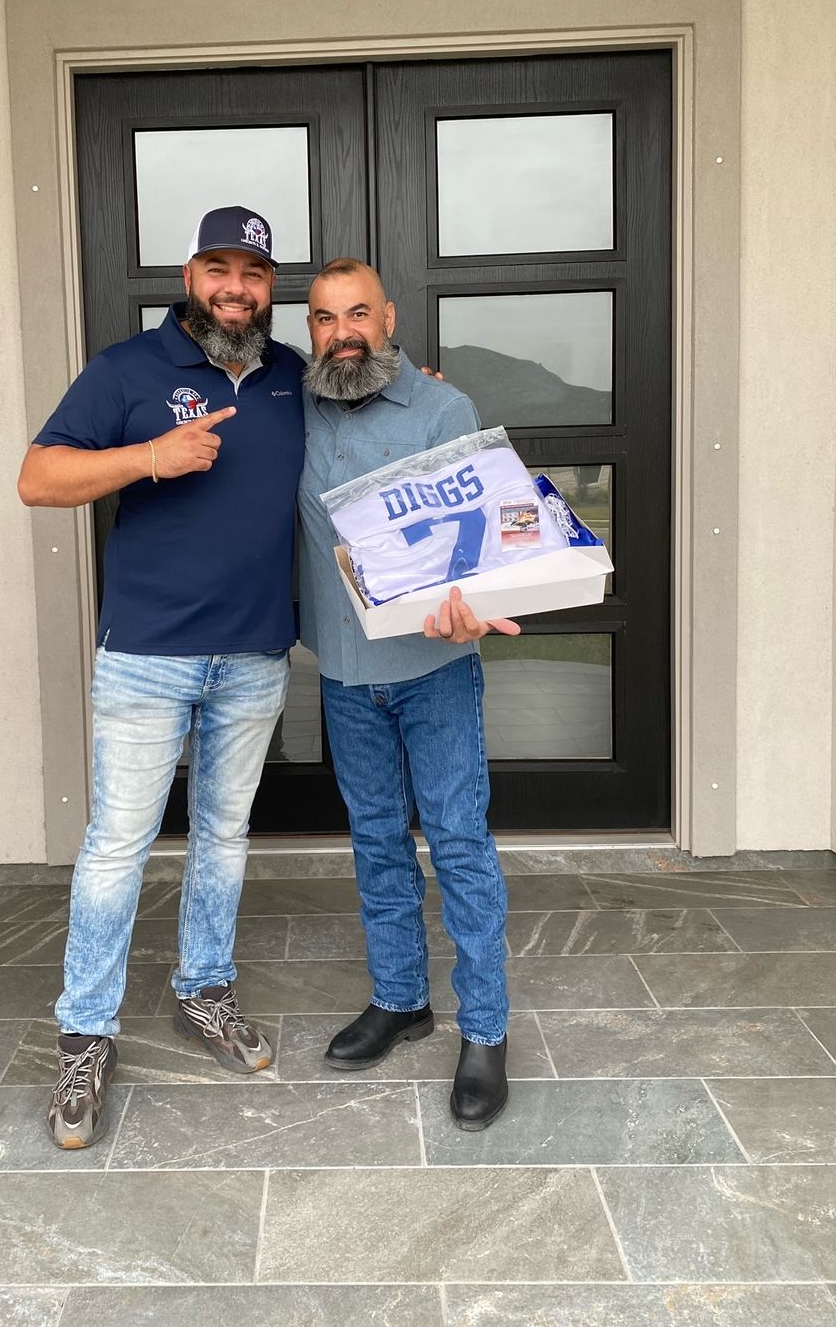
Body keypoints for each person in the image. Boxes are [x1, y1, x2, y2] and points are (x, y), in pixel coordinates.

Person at [18, 207, 304, 1149]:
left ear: (271, 287)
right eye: (220, 268)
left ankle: (203, 990)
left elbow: (368, 424)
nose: (237, 287)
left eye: (254, 273)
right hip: (147, 654)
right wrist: (150, 458)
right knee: (117, 846)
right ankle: (86, 1034)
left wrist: (410, 384)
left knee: (223, 834)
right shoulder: (127, 372)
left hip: (255, 654)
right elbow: (38, 476)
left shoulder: (292, 378)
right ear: (191, 275)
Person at [298, 257, 520, 1130]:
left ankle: (486, 1031)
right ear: (308, 331)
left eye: (358, 313)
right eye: (323, 318)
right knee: (377, 841)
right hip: (346, 672)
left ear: (388, 318)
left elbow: (497, 538)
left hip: (434, 673)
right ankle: (401, 1000)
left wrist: (477, 604)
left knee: (460, 842)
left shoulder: (444, 409)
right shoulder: (296, 407)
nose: (342, 331)